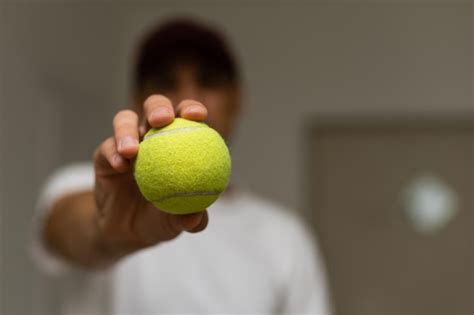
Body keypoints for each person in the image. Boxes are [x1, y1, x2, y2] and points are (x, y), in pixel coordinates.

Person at [32, 18, 331, 315]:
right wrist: (105, 232)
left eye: (209, 79)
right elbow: (68, 229)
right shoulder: (90, 184)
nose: (190, 97)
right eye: (165, 82)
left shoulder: (286, 237)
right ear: (137, 99)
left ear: (237, 99)